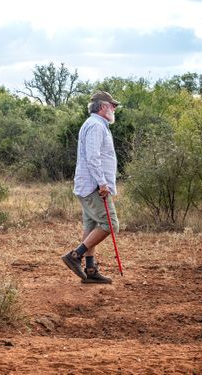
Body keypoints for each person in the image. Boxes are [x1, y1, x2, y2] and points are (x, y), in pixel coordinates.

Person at [61, 90, 120, 284]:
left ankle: (91, 270)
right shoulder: (95, 126)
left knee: (91, 225)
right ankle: (75, 256)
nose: (114, 109)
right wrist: (102, 183)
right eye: (112, 105)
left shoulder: (96, 124)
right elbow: (93, 157)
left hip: (89, 185)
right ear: (103, 107)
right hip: (94, 186)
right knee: (109, 223)